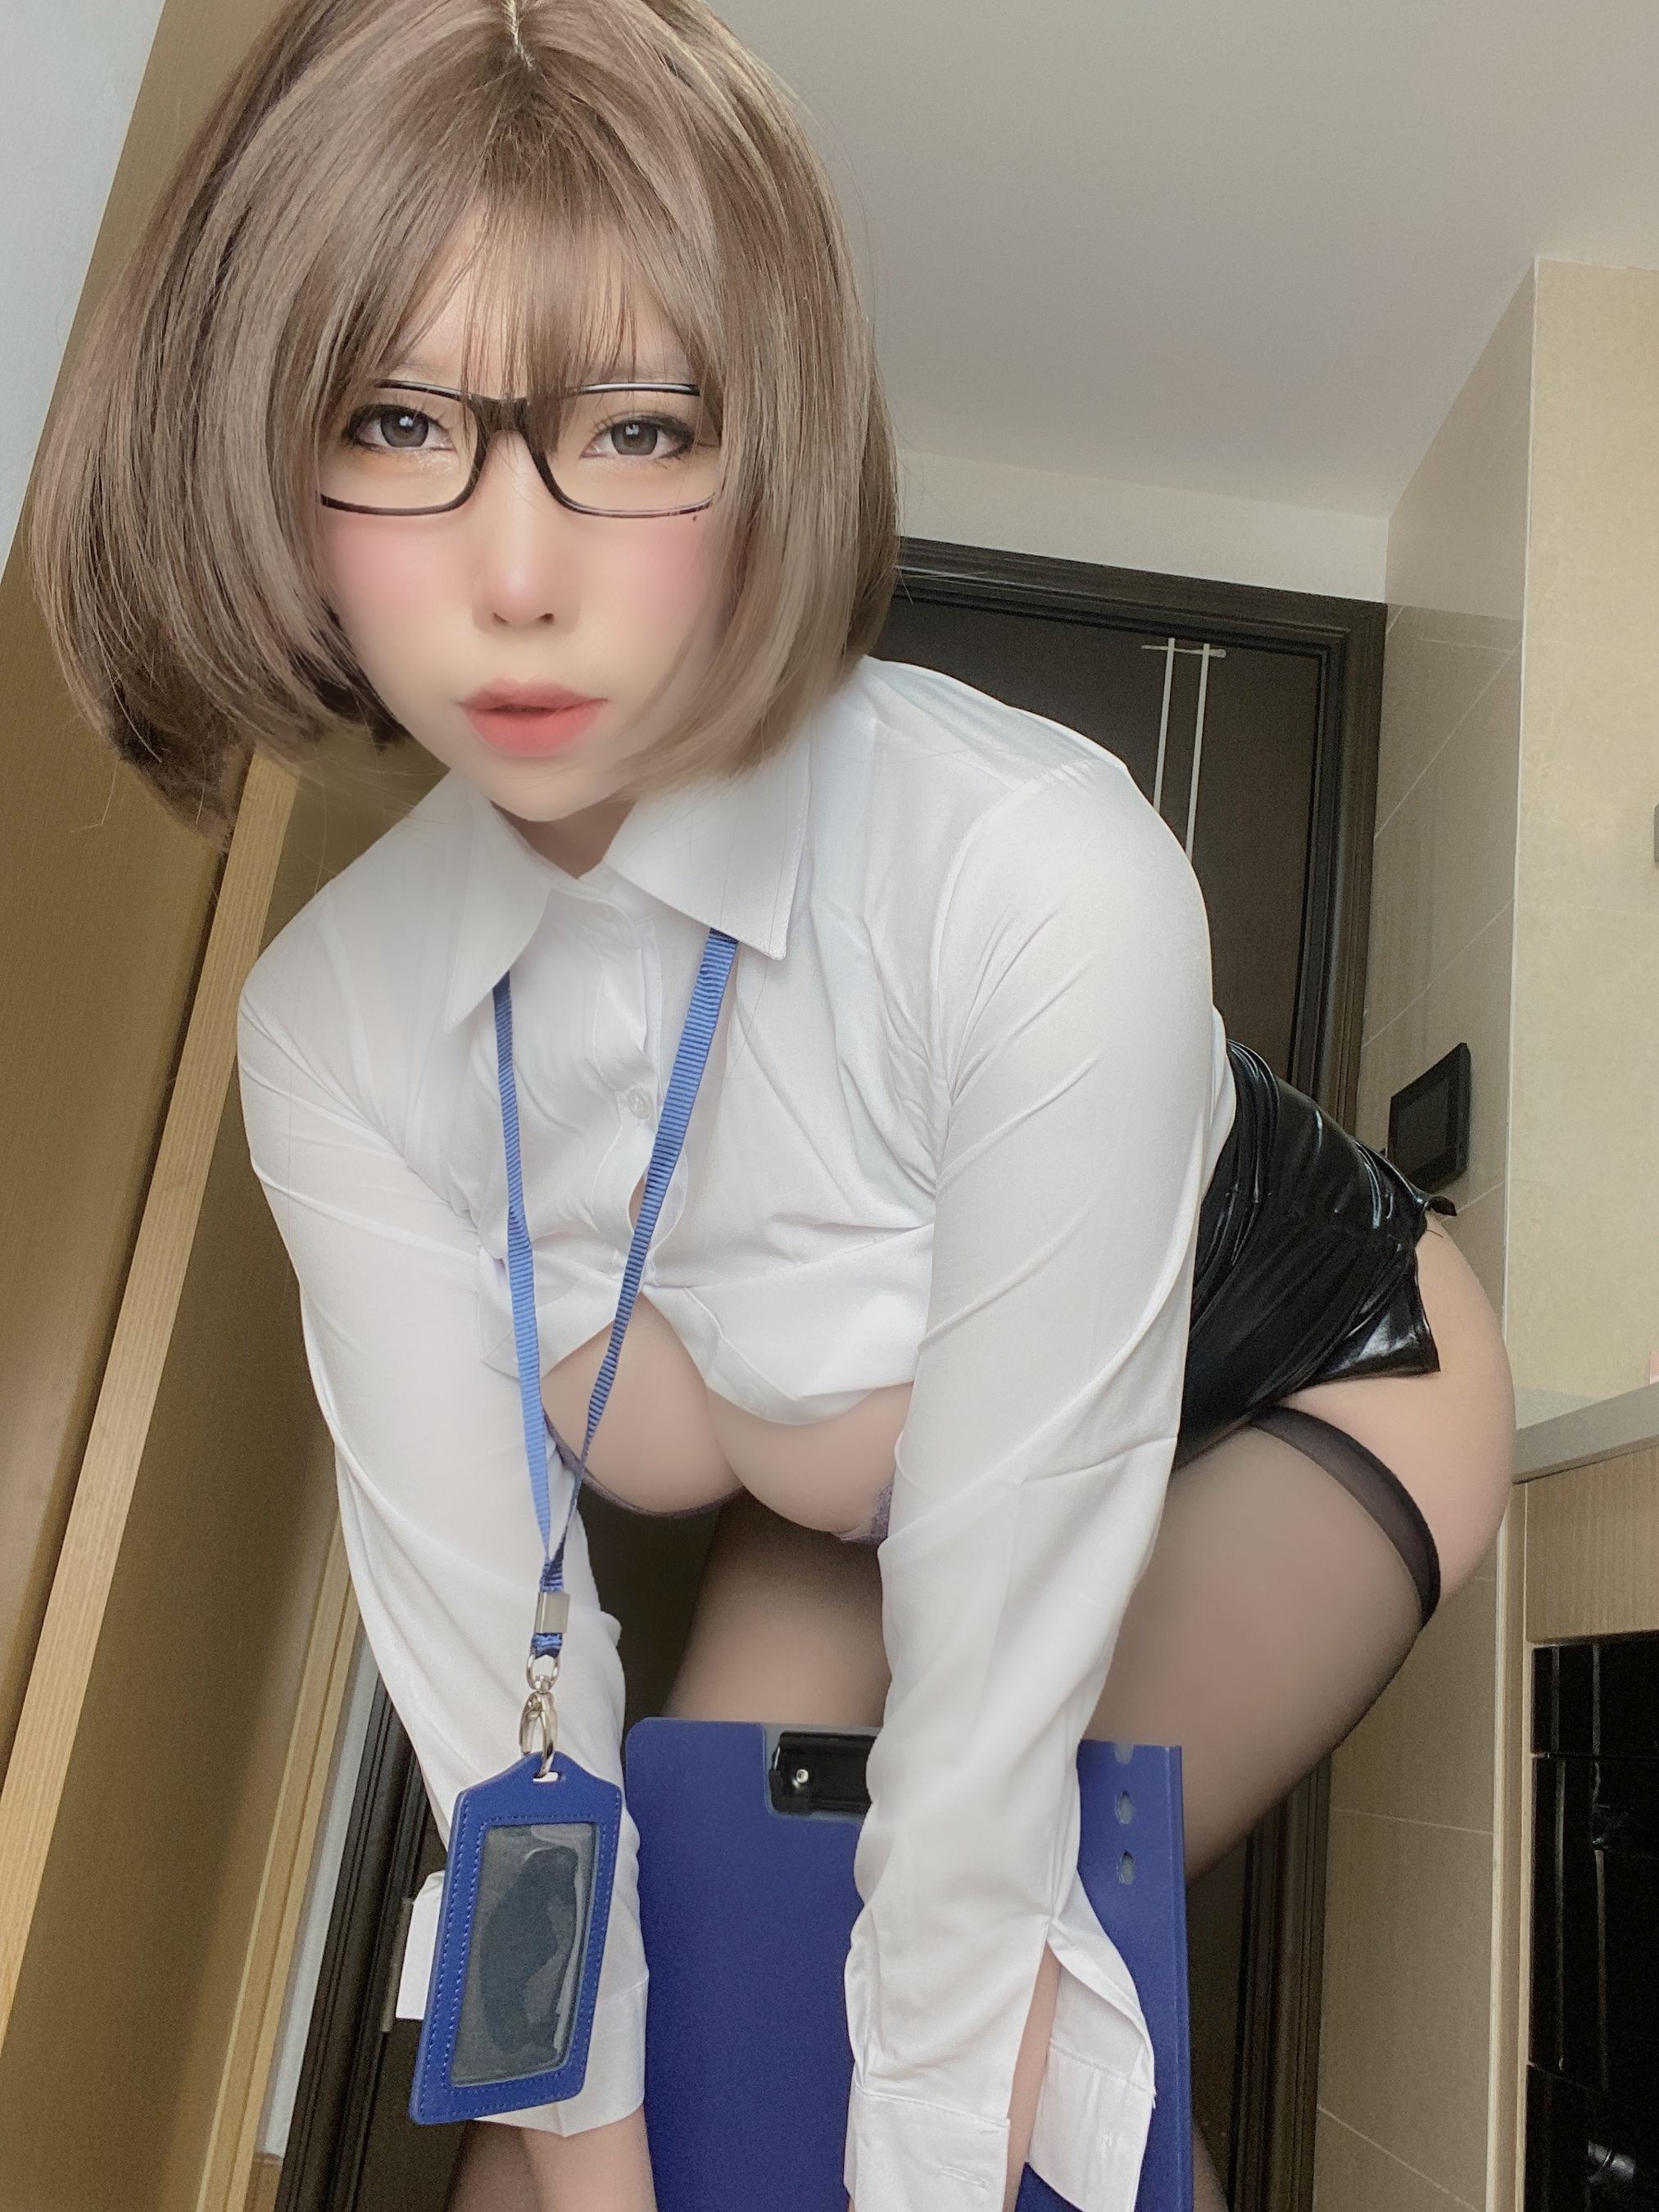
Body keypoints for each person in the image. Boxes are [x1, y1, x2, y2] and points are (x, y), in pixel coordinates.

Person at [26, 2, 1516, 2209]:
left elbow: (974, 1812)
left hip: (1290, 1366)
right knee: (627, 2072)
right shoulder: (339, 1030)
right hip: (880, 1485)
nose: (516, 572)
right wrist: (595, 2170)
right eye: (398, 420)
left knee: (978, 2020)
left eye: (635, 431)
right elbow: (505, 1711)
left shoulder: (1035, 873)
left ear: (769, 448)